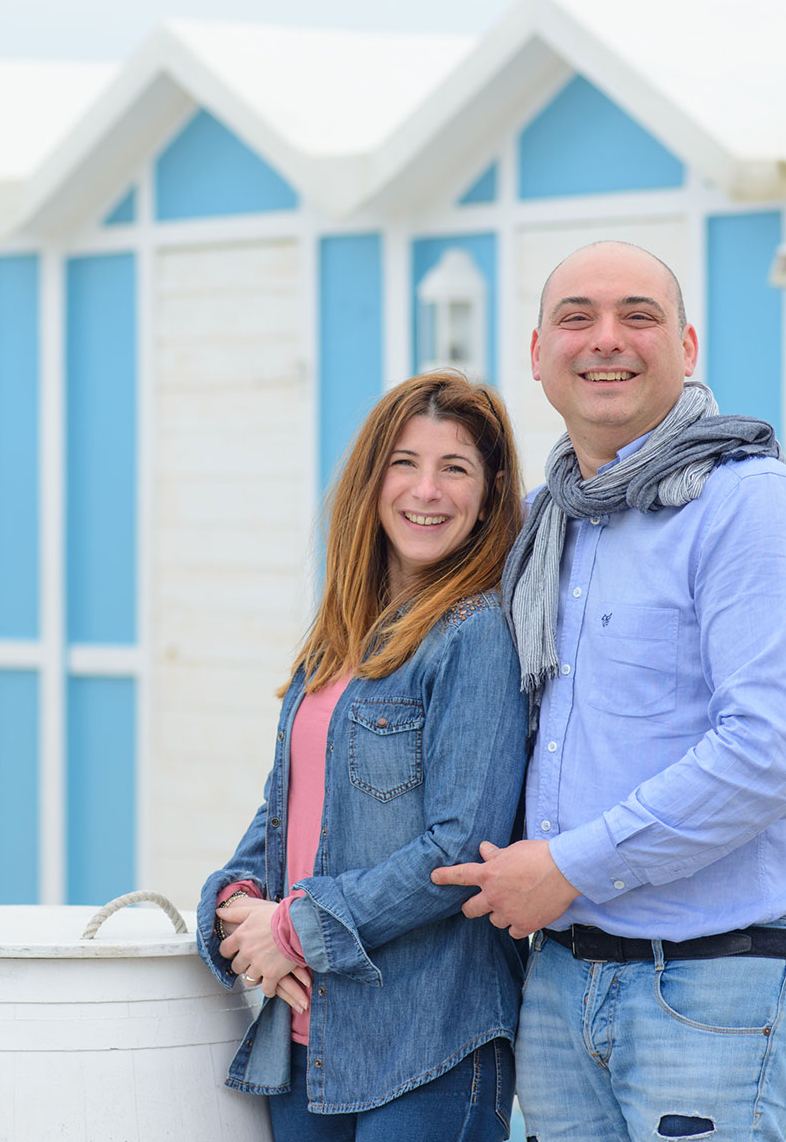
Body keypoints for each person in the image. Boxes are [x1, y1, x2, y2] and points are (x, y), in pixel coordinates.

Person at [433, 241, 786, 1142]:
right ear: (537, 352)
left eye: (638, 315)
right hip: (561, 976)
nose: (606, 340)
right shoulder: (551, 527)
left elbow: (767, 755)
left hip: (712, 979)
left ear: (689, 346)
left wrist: (567, 867)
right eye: (576, 318)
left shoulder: (751, 509)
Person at [196, 371, 531, 1141]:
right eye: (405, 463)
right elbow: (290, 804)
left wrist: (294, 927)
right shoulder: (341, 638)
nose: (427, 490)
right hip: (307, 1037)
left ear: (488, 495)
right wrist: (237, 899)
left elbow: (457, 849)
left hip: (426, 1043)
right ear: (371, 478)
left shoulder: (474, 633)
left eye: (456, 469)